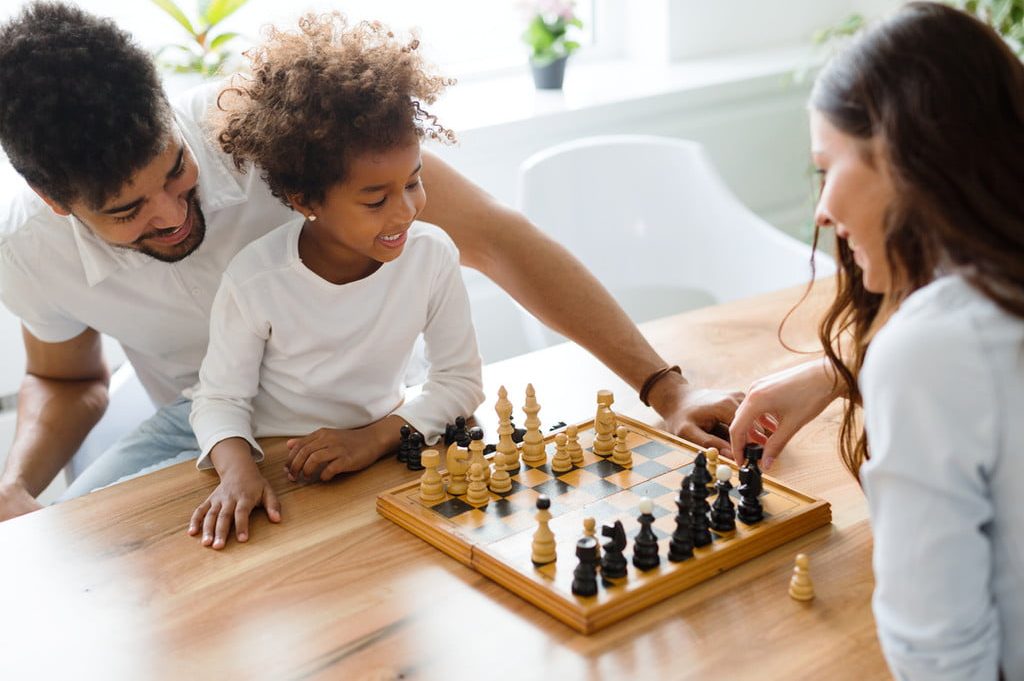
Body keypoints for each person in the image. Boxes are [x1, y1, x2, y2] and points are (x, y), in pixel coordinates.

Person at [0, 2, 741, 522]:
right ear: (54, 200)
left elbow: (498, 239)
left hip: (360, 414)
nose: (167, 213)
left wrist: (664, 386)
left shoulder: (268, 125)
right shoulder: (28, 251)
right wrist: (16, 484)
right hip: (208, 434)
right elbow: (67, 381)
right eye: (126, 212)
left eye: (174, 171)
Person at [729, 3, 1023, 678]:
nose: (823, 210)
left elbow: (940, 658)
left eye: (826, 166)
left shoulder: (935, 352)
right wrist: (841, 371)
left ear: (904, 154)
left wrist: (888, 364)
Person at [186, 14, 484, 549]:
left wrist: (371, 440)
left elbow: (460, 383)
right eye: (375, 199)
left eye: (414, 181)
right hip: (282, 466)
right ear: (304, 201)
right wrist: (236, 470)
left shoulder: (432, 256)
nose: (406, 212)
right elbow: (219, 399)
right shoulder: (257, 280)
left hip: (381, 455)